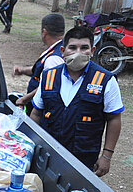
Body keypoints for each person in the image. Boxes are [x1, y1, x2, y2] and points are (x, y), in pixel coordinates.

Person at [30, 26, 123, 177]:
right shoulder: (48, 76)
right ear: (62, 51)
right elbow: (36, 114)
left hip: (84, 157)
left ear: (92, 51)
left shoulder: (105, 80)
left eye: (84, 48)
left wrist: (106, 156)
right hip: (48, 152)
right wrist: (32, 143)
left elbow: (114, 118)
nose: (78, 53)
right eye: (72, 47)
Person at [13, 13, 65, 114]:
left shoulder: (54, 59)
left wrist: (24, 99)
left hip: (41, 110)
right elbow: (41, 70)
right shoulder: (55, 49)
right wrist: (23, 70)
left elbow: (46, 85)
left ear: (44, 32)